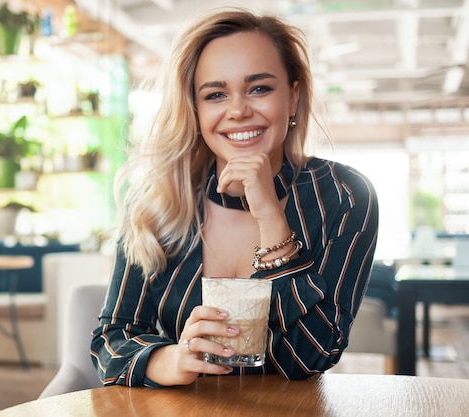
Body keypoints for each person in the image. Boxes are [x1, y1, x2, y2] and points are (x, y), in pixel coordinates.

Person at [91, 7, 379, 386]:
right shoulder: (157, 202)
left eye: (259, 88)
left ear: (293, 98)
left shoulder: (345, 196)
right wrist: (176, 359)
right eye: (215, 94)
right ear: (194, 110)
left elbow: (313, 355)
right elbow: (111, 342)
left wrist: (270, 217)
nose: (239, 110)